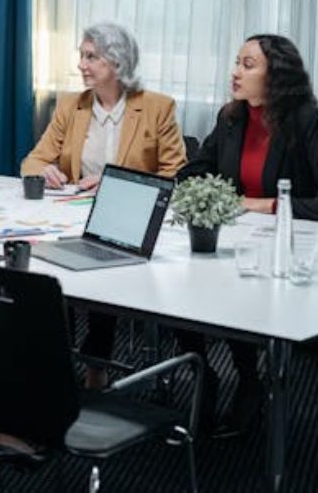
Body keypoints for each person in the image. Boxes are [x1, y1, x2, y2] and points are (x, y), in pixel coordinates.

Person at [21, 22, 186, 387]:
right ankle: (53, 360)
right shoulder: (71, 106)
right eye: (81, 55)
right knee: (44, 270)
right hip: (71, 217)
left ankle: (96, 362)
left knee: (104, 265)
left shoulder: (157, 107)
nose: (81, 64)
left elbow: (175, 174)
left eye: (91, 57)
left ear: (117, 61)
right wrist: (45, 170)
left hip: (124, 221)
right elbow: (32, 161)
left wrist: (115, 183)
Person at [175, 34, 318, 437]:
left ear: (277, 75)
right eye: (236, 62)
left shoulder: (307, 120)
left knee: (235, 292)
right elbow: (197, 169)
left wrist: (264, 204)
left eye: (248, 65)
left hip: (291, 244)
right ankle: (201, 372)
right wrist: (191, 191)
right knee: (179, 283)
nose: (235, 72)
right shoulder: (231, 117)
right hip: (237, 238)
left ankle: (250, 380)